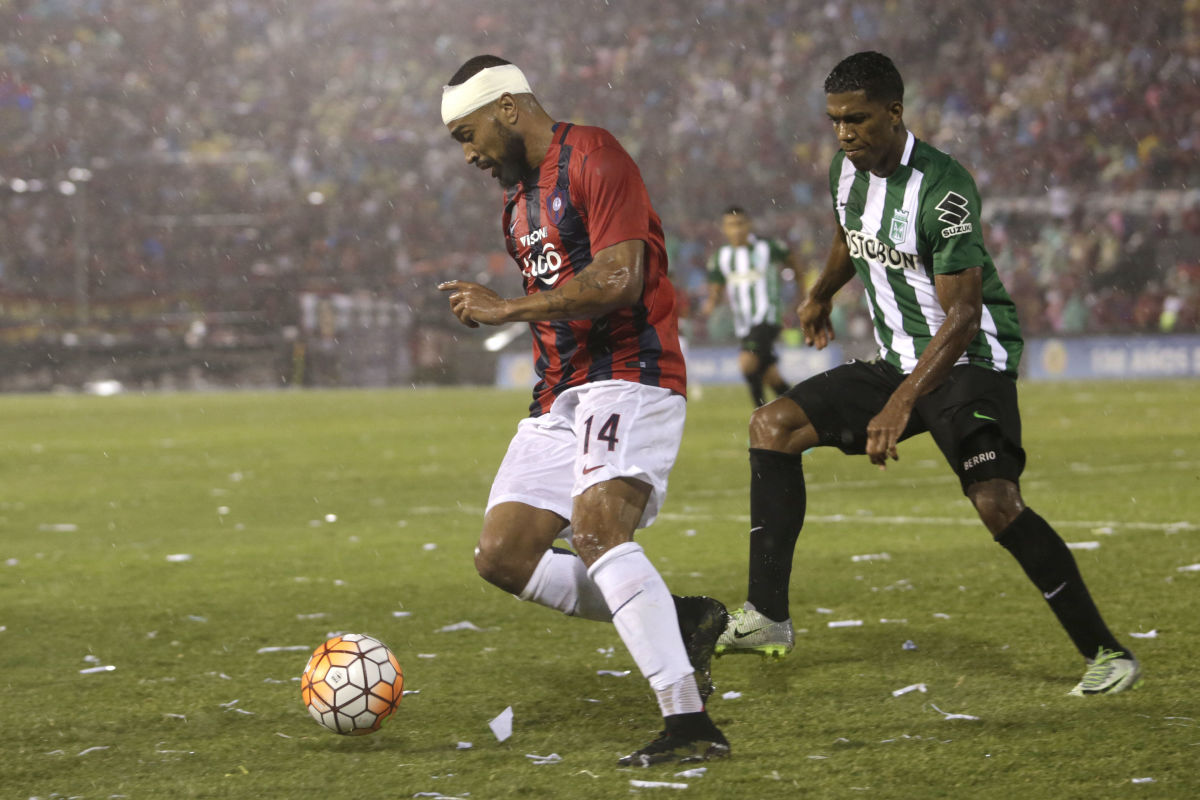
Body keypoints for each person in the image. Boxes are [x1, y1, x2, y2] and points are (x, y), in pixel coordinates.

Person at [715, 51, 1142, 697]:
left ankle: (1107, 654)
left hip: (968, 359)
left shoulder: (943, 187)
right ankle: (768, 616)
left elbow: (965, 315)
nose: (844, 134)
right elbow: (847, 235)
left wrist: (899, 405)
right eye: (834, 121)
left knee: (995, 501)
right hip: (899, 360)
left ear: (895, 112)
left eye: (857, 119)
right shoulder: (845, 171)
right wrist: (821, 293)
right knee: (772, 425)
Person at [436, 55, 730, 766]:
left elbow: (620, 279)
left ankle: (688, 723)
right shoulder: (516, 208)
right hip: (558, 392)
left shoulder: (593, 156)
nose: (470, 155)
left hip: (630, 371)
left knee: (599, 528)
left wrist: (508, 307)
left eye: (469, 135)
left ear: (508, 108)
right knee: (502, 556)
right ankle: (683, 617)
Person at [701, 206, 795, 406]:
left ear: (749, 224)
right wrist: (711, 302)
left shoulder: (767, 247)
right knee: (772, 377)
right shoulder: (721, 257)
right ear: (724, 229)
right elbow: (716, 288)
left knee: (747, 364)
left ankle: (761, 419)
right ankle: (804, 409)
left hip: (767, 317)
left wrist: (804, 294)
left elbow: (793, 261)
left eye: (740, 224)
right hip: (744, 323)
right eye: (731, 225)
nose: (736, 229)